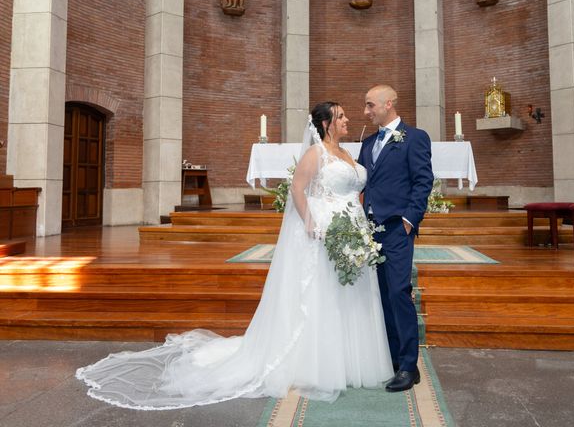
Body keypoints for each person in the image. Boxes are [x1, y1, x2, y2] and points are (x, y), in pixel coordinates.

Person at [76, 102, 393, 409]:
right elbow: (298, 188)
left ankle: (347, 359)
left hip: (351, 231)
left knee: (344, 294)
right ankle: (314, 364)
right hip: (325, 233)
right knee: (320, 295)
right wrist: (313, 225)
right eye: (340, 117)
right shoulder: (316, 153)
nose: (347, 120)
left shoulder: (348, 153)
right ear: (325, 124)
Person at [358, 85, 433, 392]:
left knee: (399, 292)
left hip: (396, 229)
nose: (366, 111)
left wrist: (408, 220)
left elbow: (423, 181)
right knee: (381, 294)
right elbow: (363, 181)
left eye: (370, 105)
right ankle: (389, 357)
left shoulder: (415, 138)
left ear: (388, 104)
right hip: (370, 229)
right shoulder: (367, 142)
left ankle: (407, 365)